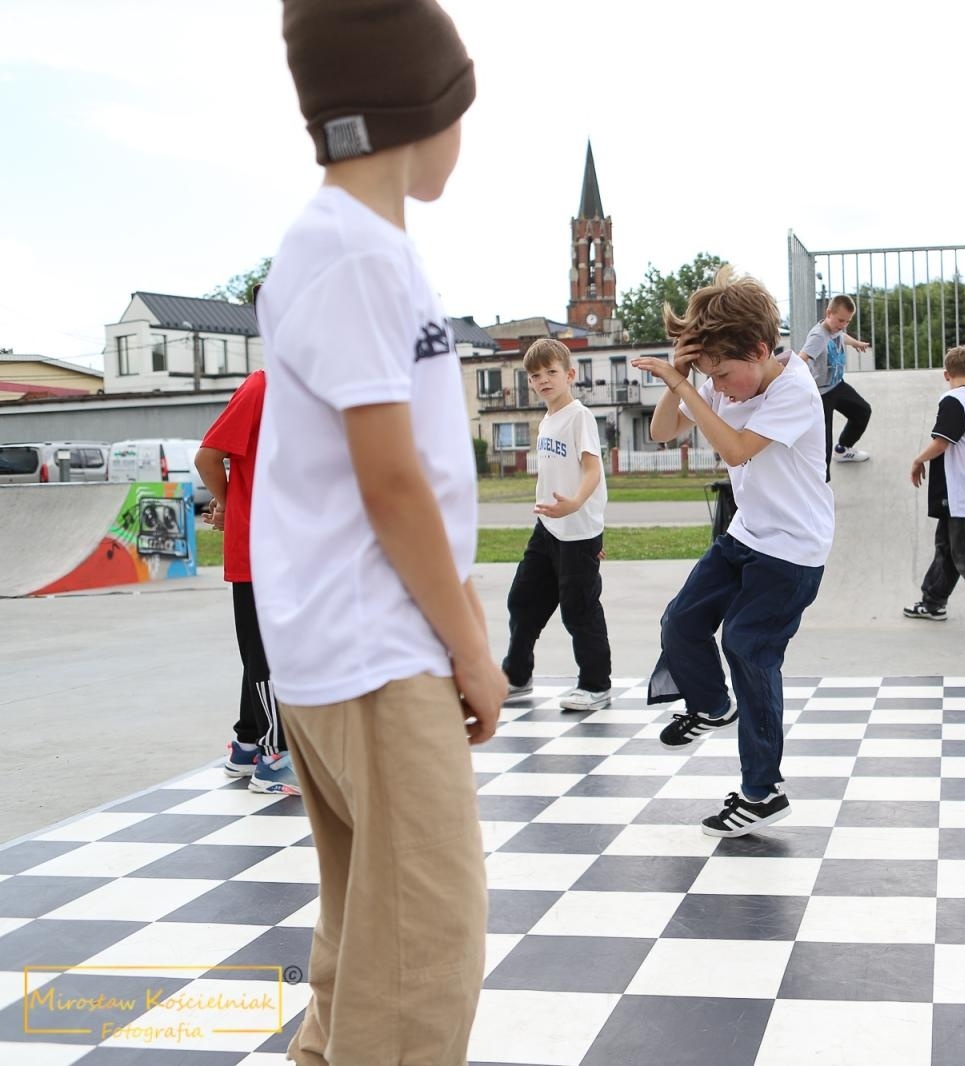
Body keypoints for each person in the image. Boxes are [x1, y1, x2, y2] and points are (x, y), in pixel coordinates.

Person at [250, 2, 503, 1062]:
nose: (463, 134)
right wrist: (472, 647)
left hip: (344, 645)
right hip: (375, 650)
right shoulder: (356, 254)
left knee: (362, 941)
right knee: (423, 960)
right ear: (416, 104)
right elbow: (391, 480)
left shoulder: (349, 246)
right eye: (459, 108)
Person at [633, 265, 832, 838]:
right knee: (681, 621)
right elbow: (662, 434)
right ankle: (711, 704)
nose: (718, 387)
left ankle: (763, 792)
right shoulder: (729, 375)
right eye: (709, 374)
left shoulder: (794, 389)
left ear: (760, 350)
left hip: (793, 552)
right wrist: (680, 373)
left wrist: (684, 386)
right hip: (748, 535)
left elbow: (739, 450)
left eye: (724, 374)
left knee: (746, 646)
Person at [194, 368, 300, 796]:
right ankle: (276, 758)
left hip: (288, 548)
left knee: (260, 652)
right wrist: (230, 503)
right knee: (273, 655)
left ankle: (248, 744)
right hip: (263, 550)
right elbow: (207, 456)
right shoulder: (264, 384)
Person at [502, 338, 612, 710]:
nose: (544, 380)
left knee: (579, 610)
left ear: (569, 374)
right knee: (523, 600)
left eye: (551, 372)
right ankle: (517, 677)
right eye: (536, 375)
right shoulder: (547, 419)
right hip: (547, 527)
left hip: (578, 531)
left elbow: (593, 468)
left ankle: (596, 685)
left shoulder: (579, 416)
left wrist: (577, 503)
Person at [903, 345, 965, 627]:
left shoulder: (953, 400)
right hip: (961, 492)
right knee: (946, 547)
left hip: (962, 492)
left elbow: (944, 440)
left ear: (946, 374)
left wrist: (918, 460)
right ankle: (933, 602)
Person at [799, 294, 872, 476]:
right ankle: (820, 486)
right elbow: (801, 359)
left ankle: (843, 449)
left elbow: (842, 335)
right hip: (821, 395)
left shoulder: (836, 328)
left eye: (847, 321)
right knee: (824, 442)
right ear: (828, 313)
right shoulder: (818, 336)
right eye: (841, 320)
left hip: (837, 385)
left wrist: (855, 343)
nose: (843, 325)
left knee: (862, 411)